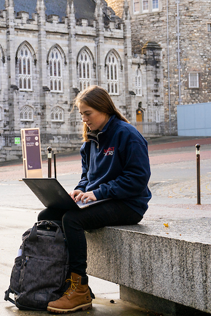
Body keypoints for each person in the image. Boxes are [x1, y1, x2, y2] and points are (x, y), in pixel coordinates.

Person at [39, 85, 152, 314]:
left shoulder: (127, 134)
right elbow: (86, 178)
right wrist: (79, 191)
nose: (84, 119)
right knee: (47, 216)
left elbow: (138, 179)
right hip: (103, 201)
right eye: (81, 114)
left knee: (71, 219)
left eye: (87, 113)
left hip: (129, 204)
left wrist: (98, 193)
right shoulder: (89, 142)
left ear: (104, 109)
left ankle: (79, 289)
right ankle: (57, 279)